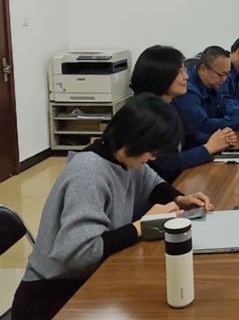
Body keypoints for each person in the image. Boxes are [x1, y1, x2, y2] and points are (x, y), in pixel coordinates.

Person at [11, 94, 216, 320]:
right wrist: (141, 226)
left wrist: (179, 199)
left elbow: (152, 183)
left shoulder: (121, 157)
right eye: (152, 151)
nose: (153, 157)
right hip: (54, 295)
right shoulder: (89, 174)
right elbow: (80, 252)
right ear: (136, 139)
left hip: (90, 278)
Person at [130, 45, 237, 182]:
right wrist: (208, 148)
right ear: (161, 76)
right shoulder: (146, 117)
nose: (186, 76)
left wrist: (220, 140)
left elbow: (190, 135)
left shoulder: (171, 103)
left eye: (184, 70)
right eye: (180, 72)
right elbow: (168, 165)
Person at [173, 46, 239, 149]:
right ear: (203, 69)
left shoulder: (209, 82)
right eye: (221, 75)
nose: (224, 79)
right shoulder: (188, 90)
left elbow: (221, 106)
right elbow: (203, 125)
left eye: (227, 75)